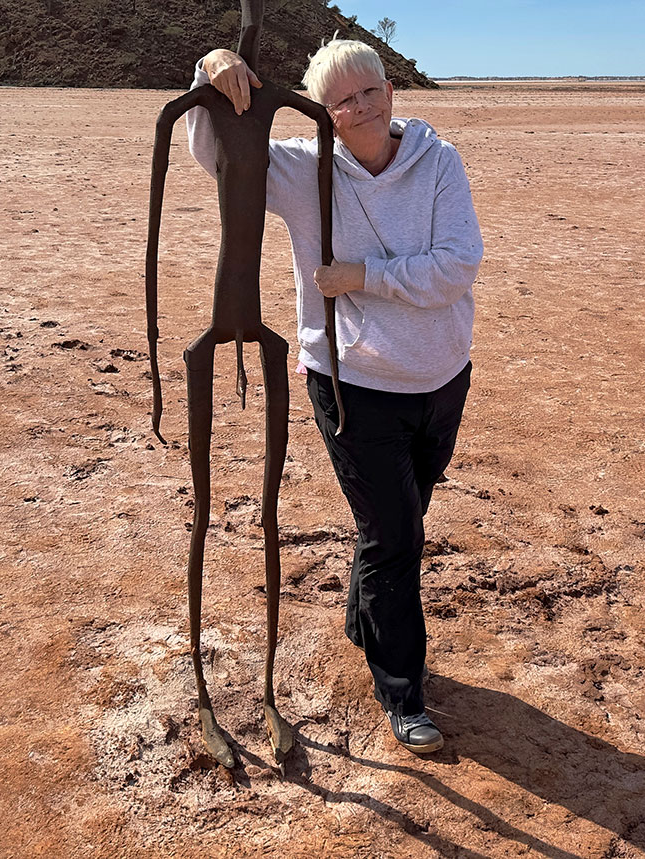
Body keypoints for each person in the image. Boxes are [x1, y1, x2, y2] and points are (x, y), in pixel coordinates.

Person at [184, 39, 483, 754]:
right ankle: (403, 694)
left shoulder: (438, 162)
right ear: (325, 111)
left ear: (392, 90)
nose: (360, 108)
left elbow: (457, 266)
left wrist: (360, 274)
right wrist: (210, 68)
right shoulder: (303, 167)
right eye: (342, 101)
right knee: (396, 538)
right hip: (352, 385)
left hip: (441, 379)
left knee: (401, 516)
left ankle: (363, 621)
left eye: (370, 90)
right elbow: (212, 151)